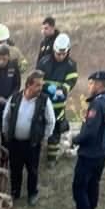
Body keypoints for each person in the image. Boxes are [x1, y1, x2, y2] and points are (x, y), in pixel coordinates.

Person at [70, 71, 105, 209]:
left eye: (91, 83)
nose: (89, 86)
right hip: (102, 152)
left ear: (99, 84)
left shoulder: (98, 104)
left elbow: (90, 131)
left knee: (79, 186)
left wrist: (74, 140)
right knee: (93, 184)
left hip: (90, 153)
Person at [2, 70, 56, 206]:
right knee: (15, 169)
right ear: (28, 85)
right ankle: (15, 192)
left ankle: (32, 194)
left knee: (32, 170)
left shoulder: (44, 100)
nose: (40, 88)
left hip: (32, 144)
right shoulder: (14, 98)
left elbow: (51, 121)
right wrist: (6, 134)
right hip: (15, 142)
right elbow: (6, 117)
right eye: (37, 85)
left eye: (41, 85)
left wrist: (43, 137)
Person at [37, 33, 78, 166]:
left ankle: (51, 160)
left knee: (54, 132)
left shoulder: (71, 65)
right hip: (42, 101)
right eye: (58, 53)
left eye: (63, 54)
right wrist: (49, 87)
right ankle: (35, 156)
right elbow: (37, 79)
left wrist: (63, 89)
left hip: (58, 105)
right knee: (38, 128)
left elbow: (70, 82)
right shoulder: (44, 61)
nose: (60, 56)